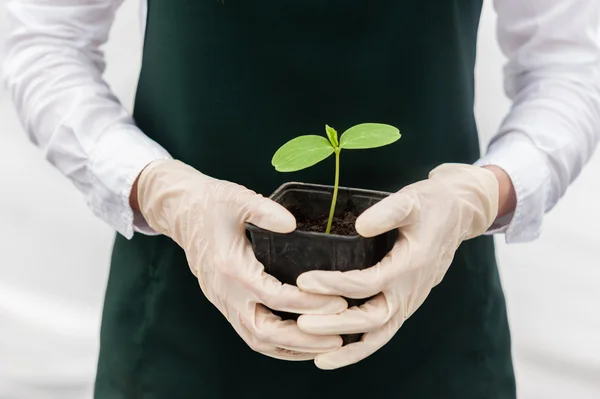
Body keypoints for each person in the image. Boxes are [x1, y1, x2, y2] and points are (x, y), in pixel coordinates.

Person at [3, 0, 599, 397]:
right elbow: (43, 40)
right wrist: (162, 192)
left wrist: (480, 194)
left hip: (435, 325)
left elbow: (571, 61)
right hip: (181, 331)